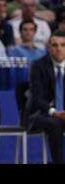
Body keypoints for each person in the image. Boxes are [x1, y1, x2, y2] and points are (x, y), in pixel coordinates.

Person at [26, 30, 65, 164]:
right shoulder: (37, 66)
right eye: (54, 45)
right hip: (40, 113)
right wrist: (54, 112)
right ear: (48, 47)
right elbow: (37, 97)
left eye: (63, 45)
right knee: (56, 123)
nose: (59, 49)